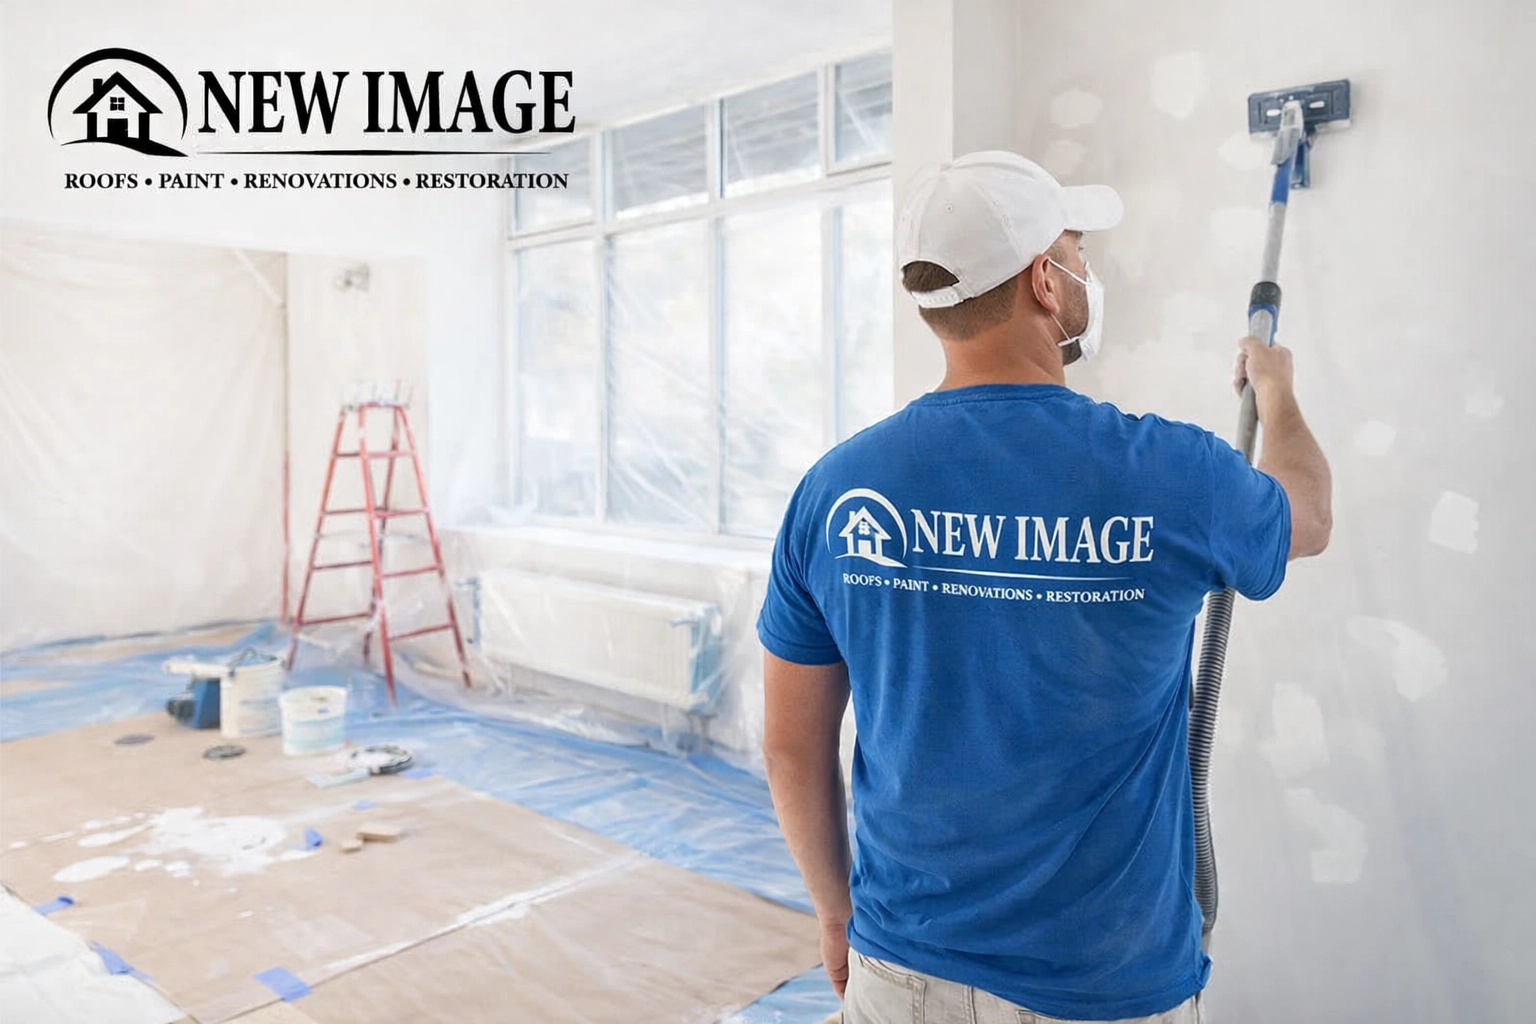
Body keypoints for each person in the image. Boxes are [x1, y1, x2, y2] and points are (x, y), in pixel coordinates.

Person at [757, 151, 1332, 1024]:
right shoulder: (1169, 473)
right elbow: (1308, 517)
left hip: (900, 967)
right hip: (1104, 987)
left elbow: (792, 748)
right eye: (1077, 252)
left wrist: (836, 914)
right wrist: (1278, 396)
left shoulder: (836, 491)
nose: (1085, 271)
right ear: (1044, 282)